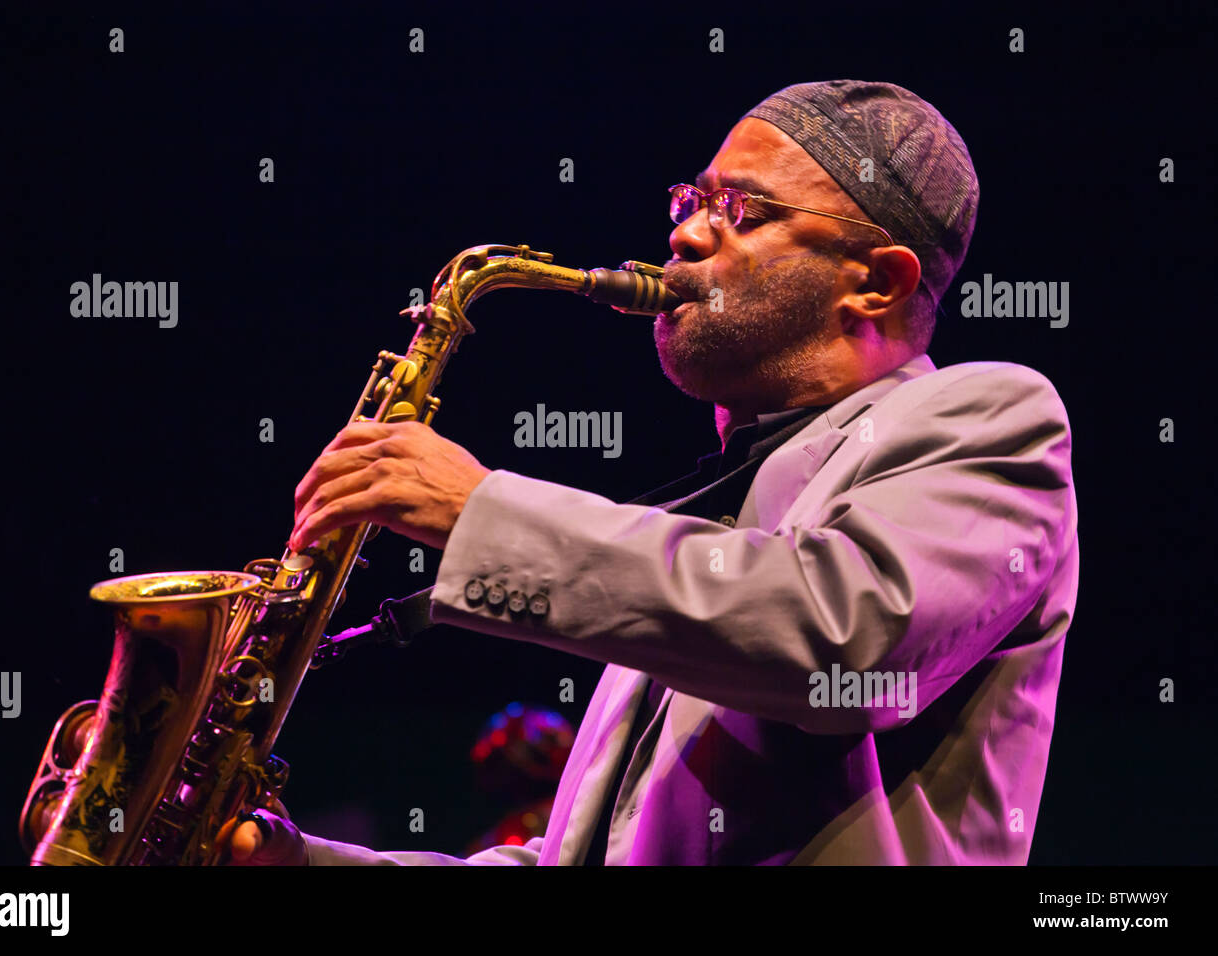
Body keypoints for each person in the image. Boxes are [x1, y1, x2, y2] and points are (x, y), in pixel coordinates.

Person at [224, 79, 1078, 865]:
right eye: (691, 199)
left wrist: (479, 512)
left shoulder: (993, 416)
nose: (684, 233)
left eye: (741, 210)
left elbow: (847, 639)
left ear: (879, 283)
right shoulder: (700, 545)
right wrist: (295, 863)